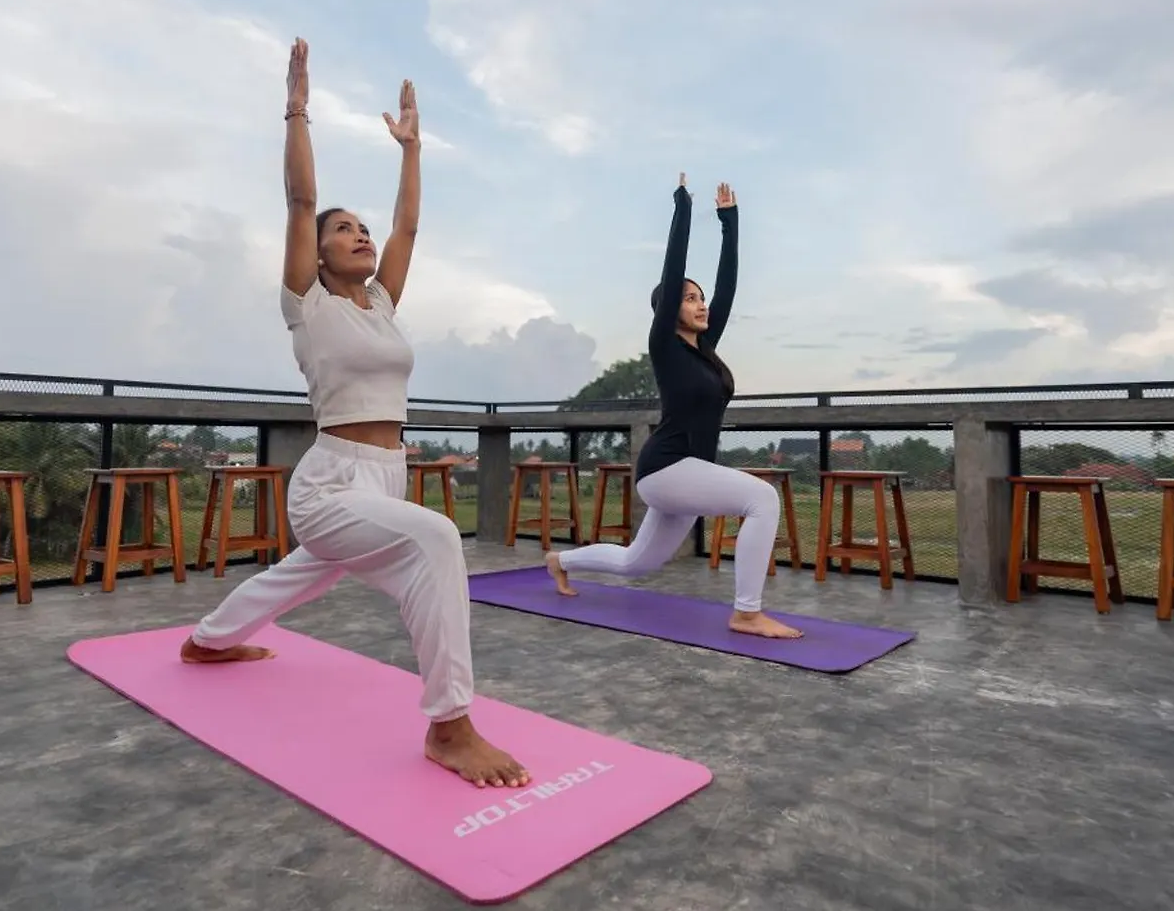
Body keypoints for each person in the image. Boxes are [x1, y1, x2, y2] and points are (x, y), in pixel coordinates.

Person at [181, 38, 530, 789]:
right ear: (317, 253)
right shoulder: (306, 305)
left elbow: (408, 228)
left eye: (360, 227)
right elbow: (300, 201)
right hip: (330, 484)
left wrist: (413, 148)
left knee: (305, 574)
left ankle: (208, 641)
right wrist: (296, 109)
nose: (361, 234)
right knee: (437, 540)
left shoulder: (380, 304)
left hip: (385, 476)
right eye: (344, 229)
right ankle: (450, 726)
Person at [545, 175, 802, 639]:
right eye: (689, 298)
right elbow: (674, 264)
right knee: (762, 499)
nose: (701, 305)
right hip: (665, 467)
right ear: (669, 308)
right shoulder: (664, 344)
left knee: (636, 563)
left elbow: (728, 286)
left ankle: (560, 561)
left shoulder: (705, 349)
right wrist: (683, 207)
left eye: (700, 298)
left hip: (685, 474)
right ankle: (746, 613)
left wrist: (729, 221)